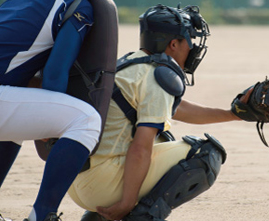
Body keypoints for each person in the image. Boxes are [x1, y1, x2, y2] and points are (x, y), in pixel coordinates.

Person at [67, 4, 250, 221]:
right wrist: (127, 202)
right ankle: (139, 217)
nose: (192, 48)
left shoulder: (130, 63)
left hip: (75, 180)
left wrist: (234, 114)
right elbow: (140, 149)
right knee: (206, 154)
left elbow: (177, 109)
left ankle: (97, 218)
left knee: (164, 138)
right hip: (102, 185)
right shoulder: (157, 76)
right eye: (189, 40)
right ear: (173, 44)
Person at [0, 0, 102, 220]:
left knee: (19, 112)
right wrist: (52, 125)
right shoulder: (77, 5)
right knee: (86, 120)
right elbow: (55, 73)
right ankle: (42, 215)